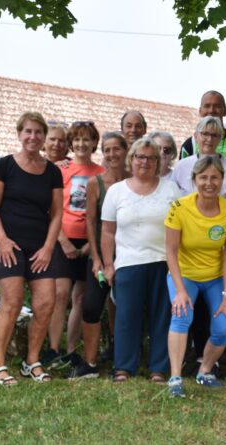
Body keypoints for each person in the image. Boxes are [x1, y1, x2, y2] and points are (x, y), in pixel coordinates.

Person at [0, 112, 63, 385]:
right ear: (19, 134)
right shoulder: (5, 165)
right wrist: (2, 240)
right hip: (8, 244)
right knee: (12, 302)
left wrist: (49, 247)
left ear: (44, 137)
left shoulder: (52, 171)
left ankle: (32, 361)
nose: (33, 136)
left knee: (46, 302)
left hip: (40, 247)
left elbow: (56, 214)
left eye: (38, 132)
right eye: (28, 131)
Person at [101, 138, 180, 383]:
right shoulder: (116, 191)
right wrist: (108, 264)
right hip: (128, 263)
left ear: (158, 162)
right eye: (140, 157)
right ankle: (123, 368)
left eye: (151, 158)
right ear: (131, 159)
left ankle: (159, 369)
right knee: (126, 317)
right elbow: (107, 232)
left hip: (163, 262)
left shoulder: (171, 190)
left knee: (162, 317)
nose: (145, 162)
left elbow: (181, 228)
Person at [164, 156, 226, 397]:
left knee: (223, 327)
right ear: (194, 180)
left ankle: (204, 371)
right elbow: (171, 251)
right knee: (181, 316)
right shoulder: (179, 208)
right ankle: (175, 378)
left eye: (214, 177)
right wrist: (180, 291)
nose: (209, 183)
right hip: (184, 274)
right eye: (203, 177)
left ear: (222, 179)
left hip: (215, 278)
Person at [68, 131, 130, 379]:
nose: (112, 154)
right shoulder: (95, 183)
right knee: (91, 306)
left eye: (117, 149)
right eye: (107, 150)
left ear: (126, 151)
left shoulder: (135, 180)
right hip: (102, 256)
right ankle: (90, 363)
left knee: (125, 308)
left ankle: (123, 361)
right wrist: (95, 258)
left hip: (129, 256)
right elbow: (90, 223)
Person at [47, 121, 106, 373]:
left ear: (94, 143)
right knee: (60, 294)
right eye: (77, 140)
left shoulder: (101, 172)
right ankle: (53, 349)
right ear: (71, 143)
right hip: (64, 238)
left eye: (86, 139)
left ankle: (71, 351)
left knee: (80, 297)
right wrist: (62, 240)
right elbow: (51, 208)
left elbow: (103, 214)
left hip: (89, 241)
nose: (82, 144)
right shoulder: (61, 170)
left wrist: (91, 246)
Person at [171, 116, 226, 198]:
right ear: (195, 136)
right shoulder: (181, 166)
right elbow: (171, 197)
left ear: (220, 139)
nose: (209, 139)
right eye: (205, 134)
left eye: (214, 135)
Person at [179, 91, 226, 162]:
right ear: (200, 111)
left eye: (217, 106)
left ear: (225, 111)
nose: (211, 110)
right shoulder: (189, 145)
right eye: (207, 106)